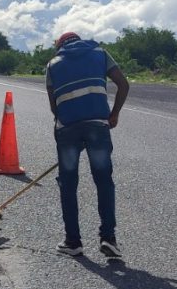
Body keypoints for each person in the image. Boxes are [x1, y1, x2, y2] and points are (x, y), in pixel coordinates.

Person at [45, 32, 130, 261]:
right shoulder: (100, 53)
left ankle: (73, 242)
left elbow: (54, 107)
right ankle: (108, 238)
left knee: (68, 184)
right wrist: (114, 115)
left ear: (60, 45)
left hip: (68, 129)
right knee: (103, 180)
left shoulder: (53, 64)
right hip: (98, 126)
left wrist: (69, 127)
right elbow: (123, 84)